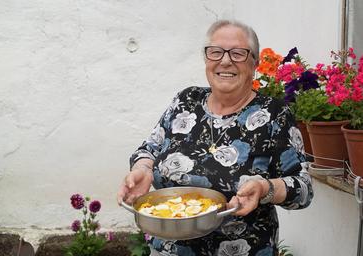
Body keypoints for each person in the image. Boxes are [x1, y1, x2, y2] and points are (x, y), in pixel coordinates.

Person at [117, 19, 313, 256]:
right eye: (216, 52)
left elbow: (303, 189)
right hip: (168, 250)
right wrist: (144, 169)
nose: (226, 60)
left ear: (255, 64)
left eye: (238, 53)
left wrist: (265, 188)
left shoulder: (275, 115)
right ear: (206, 59)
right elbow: (149, 148)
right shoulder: (185, 102)